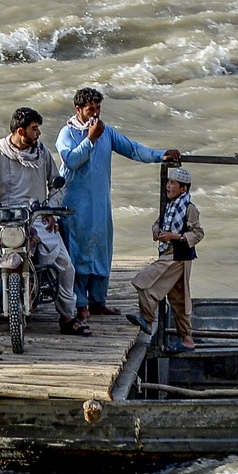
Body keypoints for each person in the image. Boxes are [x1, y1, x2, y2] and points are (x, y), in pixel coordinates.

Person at [0, 107, 85, 338]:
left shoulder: (42, 153)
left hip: (34, 216)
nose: (38, 134)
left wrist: (50, 209)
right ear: (20, 131)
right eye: (34, 129)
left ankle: (67, 317)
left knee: (65, 265)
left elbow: (57, 185)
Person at [57, 88, 180, 320]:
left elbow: (132, 149)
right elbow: (71, 161)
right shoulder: (67, 133)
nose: (95, 113)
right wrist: (90, 139)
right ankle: (80, 304)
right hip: (75, 204)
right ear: (78, 110)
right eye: (90, 109)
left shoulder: (107, 132)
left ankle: (97, 301)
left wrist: (160, 154)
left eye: (98, 108)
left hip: (100, 203)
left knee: (101, 250)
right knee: (78, 251)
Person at [128, 167, 204, 352]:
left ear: (183, 189)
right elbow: (158, 222)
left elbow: (198, 233)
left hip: (179, 255)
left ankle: (147, 319)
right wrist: (157, 232)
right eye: (168, 182)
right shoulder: (169, 205)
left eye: (172, 183)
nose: (168, 186)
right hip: (170, 252)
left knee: (145, 280)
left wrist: (174, 237)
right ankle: (187, 339)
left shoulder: (189, 208)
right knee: (178, 298)